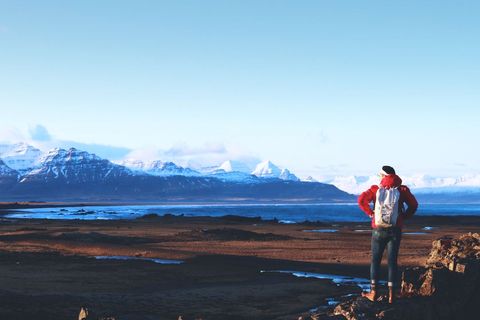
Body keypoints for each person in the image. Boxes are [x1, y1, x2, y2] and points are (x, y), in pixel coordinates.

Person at [358, 165, 418, 303]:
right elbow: (414, 205)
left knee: (375, 260)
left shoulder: (375, 189)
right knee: (392, 262)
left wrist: (370, 213)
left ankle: (373, 292)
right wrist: (403, 216)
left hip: (378, 229)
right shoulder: (402, 190)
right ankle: (392, 295)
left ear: (383, 176)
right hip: (395, 229)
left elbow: (361, 200)